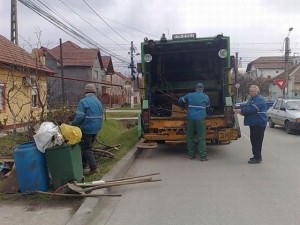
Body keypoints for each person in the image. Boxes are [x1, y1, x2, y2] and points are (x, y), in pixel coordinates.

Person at [71, 83, 103, 174]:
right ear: (94, 92)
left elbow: (80, 117)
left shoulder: (83, 102)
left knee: (86, 148)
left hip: (87, 128)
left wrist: (73, 124)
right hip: (96, 128)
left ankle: (94, 168)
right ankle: (83, 166)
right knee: (86, 147)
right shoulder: (98, 102)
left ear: (86, 92)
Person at [233, 85, 267, 164]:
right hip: (253, 123)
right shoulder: (252, 99)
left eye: (252, 91)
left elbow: (252, 109)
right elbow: (246, 105)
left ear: (257, 92)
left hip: (259, 123)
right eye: (250, 91)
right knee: (253, 140)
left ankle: (258, 158)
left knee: (257, 141)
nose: (250, 93)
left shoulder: (259, 100)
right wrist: (237, 106)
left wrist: (240, 110)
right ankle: (255, 156)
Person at [178, 82, 210, 161]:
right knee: (201, 138)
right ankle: (203, 157)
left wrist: (183, 105)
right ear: (203, 89)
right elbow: (208, 108)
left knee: (190, 137)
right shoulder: (206, 97)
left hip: (191, 119)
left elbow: (180, 100)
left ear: (195, 89)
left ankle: (191, 155)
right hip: (200, 119)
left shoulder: (189, 95)